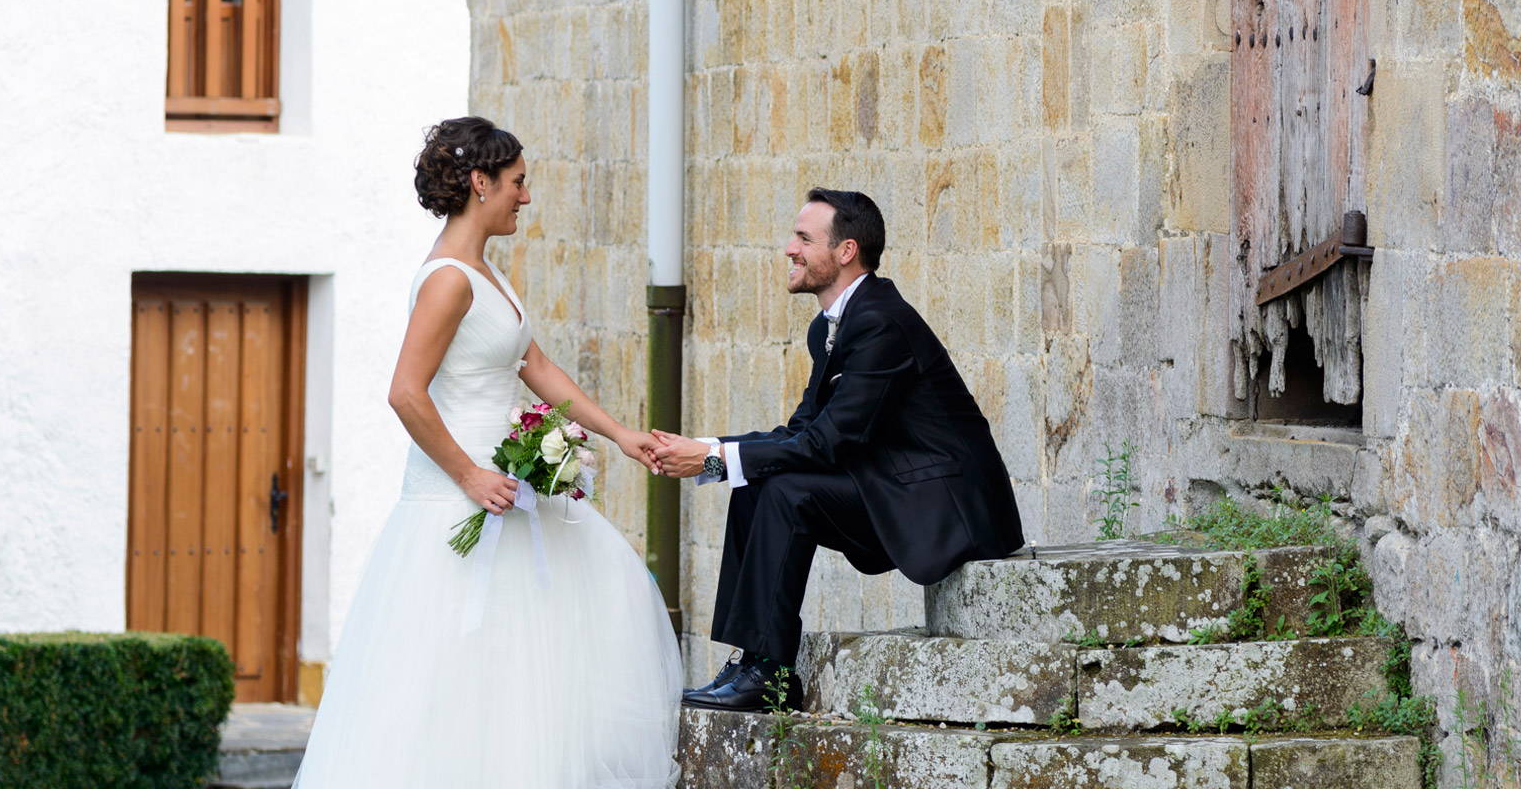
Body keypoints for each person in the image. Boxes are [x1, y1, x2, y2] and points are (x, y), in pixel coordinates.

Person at [293, 117, 681, 788]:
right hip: (460, 498)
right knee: (457, 671)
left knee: (542, 650)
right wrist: (470, 475)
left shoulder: (486, 272)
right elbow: (406, 392)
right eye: (517, 182)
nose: (525, 197)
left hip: (510, 488)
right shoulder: (449, 280)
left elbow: (536, 366)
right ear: (480, 182)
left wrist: (620, 434)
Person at [653, 188, 1024, 712]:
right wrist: (709, 450)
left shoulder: (880, 322)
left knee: (786, 491)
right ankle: (756, 663)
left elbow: (827, 444)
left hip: (945, 506)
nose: (790, 249)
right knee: (754, 484)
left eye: (804, 239)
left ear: (846, 250)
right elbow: (804, 430)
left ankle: (769, 675)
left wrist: (714, 458)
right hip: (889, 483)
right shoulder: (831, 327)